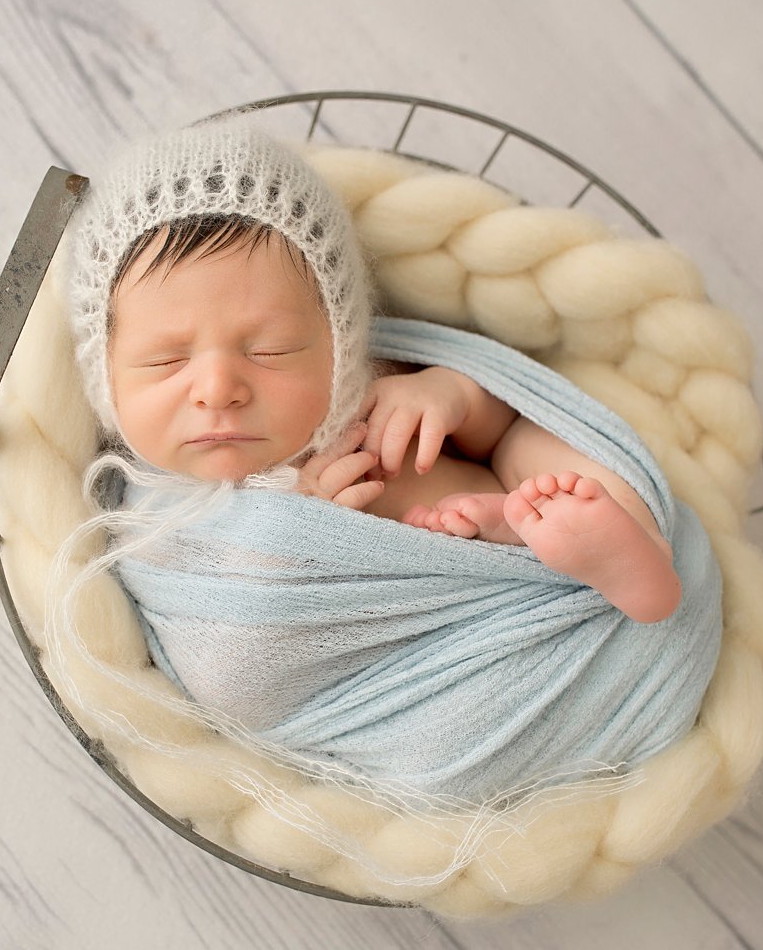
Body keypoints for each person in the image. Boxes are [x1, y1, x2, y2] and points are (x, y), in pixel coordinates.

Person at [72, 122, 682, 624]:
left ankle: (622, 550)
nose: (217, 390)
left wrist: (453, 394)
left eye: (273, 349)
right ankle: (549, 544)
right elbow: (236, 663)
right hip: (461, 640)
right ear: (106, 375)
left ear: (338, 341)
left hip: (542, 518)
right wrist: (294, 539)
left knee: (534, 443)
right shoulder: (152, 525)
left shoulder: (374, 392)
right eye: (165, 361)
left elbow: (501, 427)